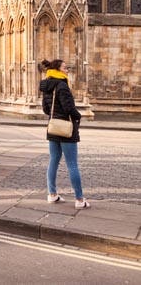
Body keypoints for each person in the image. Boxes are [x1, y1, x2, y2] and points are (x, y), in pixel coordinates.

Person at [40, 59, 89, 209]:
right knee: (72, 164)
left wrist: (56, 114)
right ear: (58, 70)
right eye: (65, 68)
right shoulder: (62, 85)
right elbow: (69, 108)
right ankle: (80, 200)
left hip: (53, 127)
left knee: (53, 161)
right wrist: (78, 116)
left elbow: (46, 109)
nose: (67, 70)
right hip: (66, 129)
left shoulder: (47, 85)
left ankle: (52, 194)